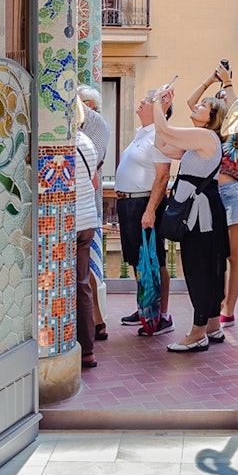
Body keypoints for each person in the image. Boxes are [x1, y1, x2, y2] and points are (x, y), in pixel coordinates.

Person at [152, 87, 229, 352]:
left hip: (201, 216)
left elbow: (165, 134)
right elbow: (161, 144)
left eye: (203, 106)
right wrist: (161, 110)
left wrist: (155, 102)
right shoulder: (200, 141)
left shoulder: (206, 136)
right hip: (203, 213)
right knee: (208, 267)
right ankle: (211, 325)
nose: (196, 107)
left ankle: (197, 333)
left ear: (211, 116)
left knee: (199, 270)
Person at [186, 64, 238, 328]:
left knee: (234, 255)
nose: (221, 99)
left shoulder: (234, 135)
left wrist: (229, 84)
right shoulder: (205, 133)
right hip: (211, 195)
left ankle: (229, 308)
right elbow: (191, 103)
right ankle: (217, 304)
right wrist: (210, 80)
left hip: (230, 193)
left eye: (224, 99)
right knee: (215, 255)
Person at [115, 89, 176, 336]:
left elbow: (162, 177)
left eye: (147, 102)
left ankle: (161, 315)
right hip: (128, 204)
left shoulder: (160, 136)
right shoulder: (142, 134)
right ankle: (145, 308)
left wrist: (150, 210)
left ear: (159, 110)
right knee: (138, 259)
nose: (140, 103)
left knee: (155, 258)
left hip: (143, 204)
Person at [76, 85, 111, 342]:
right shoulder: (87, 135)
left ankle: (94, 325)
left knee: (85, 275)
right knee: (84, 275)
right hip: (88, 210)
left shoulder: (94, 127)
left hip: (84, 209)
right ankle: (95, 324)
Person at [73, 126, 101, 369]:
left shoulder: (60, 142)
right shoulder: (87, 141)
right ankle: (87, 350)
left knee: (60, 284)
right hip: (87, 219)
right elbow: (94, 182)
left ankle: (69, 345)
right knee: (82, 284)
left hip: (68, 221)